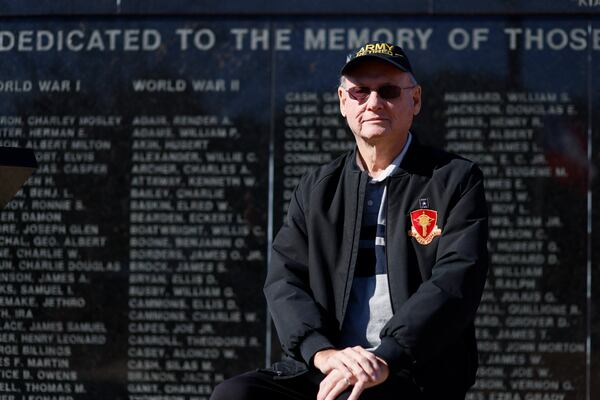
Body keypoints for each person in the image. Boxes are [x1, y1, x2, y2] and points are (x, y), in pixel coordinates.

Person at [210, 42, 488, 400]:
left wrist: (386, 356)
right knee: (235, 395)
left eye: (388, 91)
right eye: (360, 92)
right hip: (330, 364)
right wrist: (321, 353)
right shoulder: (316, 188)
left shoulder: (454, 179)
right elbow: (285, 278)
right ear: (343, 101)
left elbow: (455, 280)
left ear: (414, 100)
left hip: (411, 368)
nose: (373, 102)